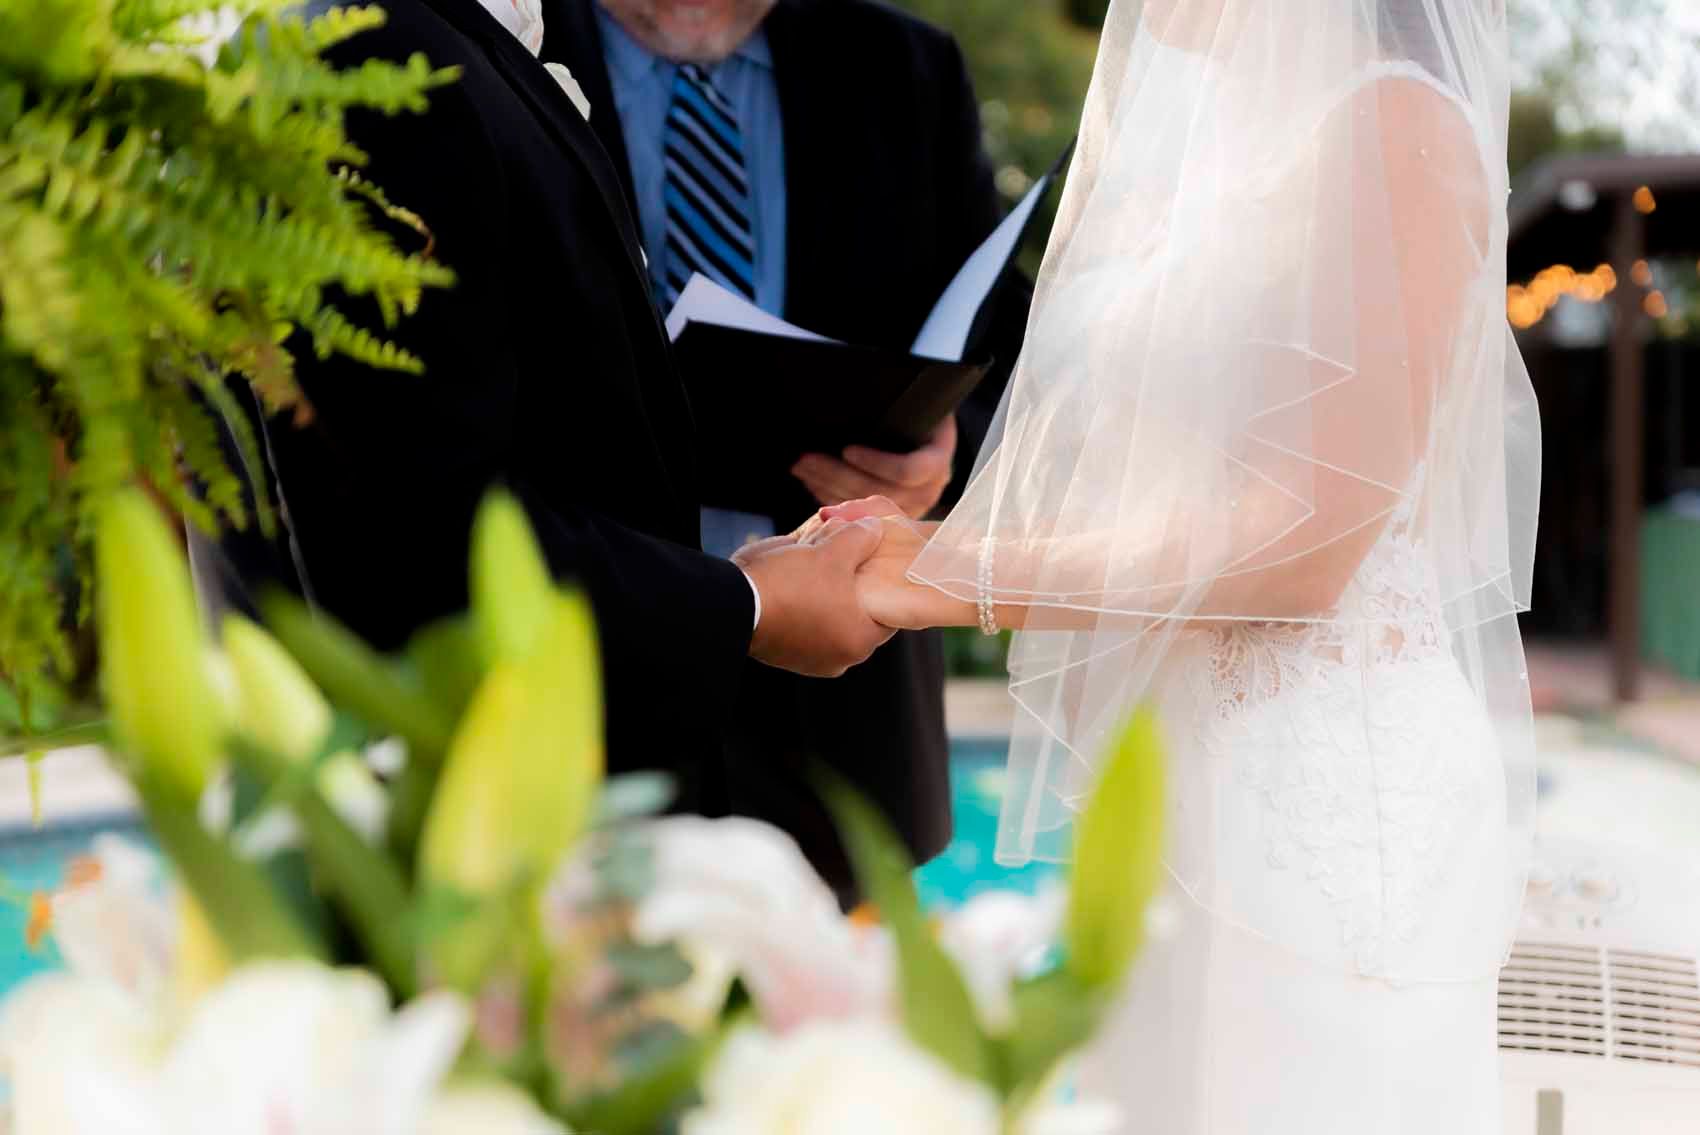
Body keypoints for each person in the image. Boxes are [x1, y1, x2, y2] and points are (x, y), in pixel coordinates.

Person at [826, 0, 1541, 1130]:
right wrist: (928, 528)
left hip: (1320, 802)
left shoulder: (1396, 122)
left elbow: (1303, 546)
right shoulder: (1229, 146)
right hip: (1183, 778)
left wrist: (941, 577)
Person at [218, 0, 899, 824]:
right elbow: (420, 541)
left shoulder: (442, 37)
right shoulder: (378, 59)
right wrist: (747, 605)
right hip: (457, 845)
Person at [543, 0, 1030, 896]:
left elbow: (1005, 340)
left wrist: (946, 454)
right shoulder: (495, 51)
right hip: (571, 705)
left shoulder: (907, 69)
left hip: (846, 740)